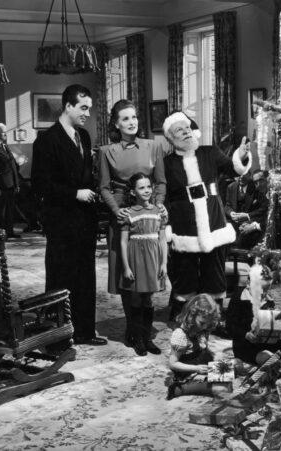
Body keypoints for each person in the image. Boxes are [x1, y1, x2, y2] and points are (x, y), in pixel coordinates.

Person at [32, 84, 107, 346]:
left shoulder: (84, 136)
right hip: (61, 220)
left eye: (89, 108)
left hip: (85, 220)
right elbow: (41, 184)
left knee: (86, 276)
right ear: (68, 106)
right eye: (83, 108)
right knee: (61, 276)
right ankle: (57, 337)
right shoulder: (47, 139)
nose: (88, 113)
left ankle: (85, 331)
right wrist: (74, 193)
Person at [162, 112, 251, 322]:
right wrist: (167, 227)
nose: (185, 132)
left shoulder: (209, 152)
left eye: (186, 128)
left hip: (214, 221)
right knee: (185, 273)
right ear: (170, 138)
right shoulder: (167, 163)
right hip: (184, 224)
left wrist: (242, 154)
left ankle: (215, 316)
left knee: (215, 272)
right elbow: (163, 195)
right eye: (178, 130)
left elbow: (234, 168)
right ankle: (184, 315)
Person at [99, 99, 166, 347]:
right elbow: (104, 186)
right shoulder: (107, 151)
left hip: (148, 213)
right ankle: (132, 327)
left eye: (134, 117)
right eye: (125, 119)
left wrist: (158, 204)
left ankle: (145, 333)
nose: (131, 122)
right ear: (116, 124)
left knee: (149, 269)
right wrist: (117, 211)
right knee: (126, 273)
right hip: (123, 214)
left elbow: (160, 182)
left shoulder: (153, 146)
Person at [120, 173, 167, 356]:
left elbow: (162, 239)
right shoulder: (128, 213)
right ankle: (137, 339)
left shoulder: (158, 212)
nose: (146, 190)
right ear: (133, 192)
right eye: (141, 187)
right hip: (136, 258)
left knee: (148, 299)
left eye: (148, 186)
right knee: (136, 299)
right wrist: (126, 266)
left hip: (153, 258)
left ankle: (148, 339)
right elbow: (124, 242)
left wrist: (164, 263)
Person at [166, 294, 229, 399]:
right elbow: (173, 364)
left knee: (234, 367)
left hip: (201, 369)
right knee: (223, 388)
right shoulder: (180, 335)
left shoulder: (203, 329)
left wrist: (215, 357)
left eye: (207, 324)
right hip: (187, 376)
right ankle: (177, 389)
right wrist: (196, 368)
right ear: (192, 315)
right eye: (202, 323)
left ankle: (205, 381)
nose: (204, 326)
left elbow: (203, 350)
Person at [225, 169, 269, 249]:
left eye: (261, 181)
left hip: (253, 221)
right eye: (239, 174)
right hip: (236, 221)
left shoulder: (257, 189)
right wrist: (231, 213)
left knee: (245, 237)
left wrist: (250, 221)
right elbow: (227, 206)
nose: (258, 185)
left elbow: (263, 211)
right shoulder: (231, 187)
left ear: (249, 174)